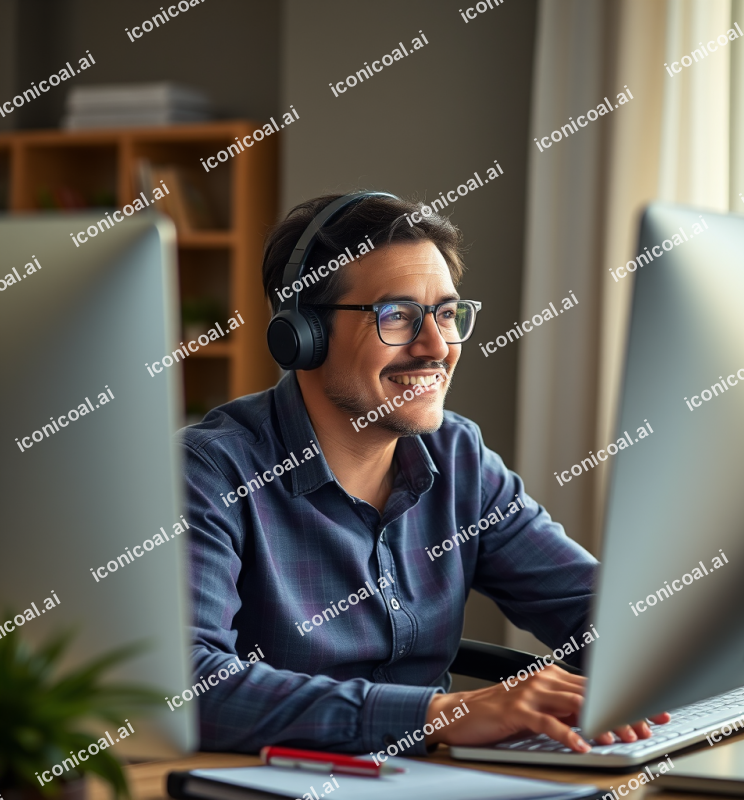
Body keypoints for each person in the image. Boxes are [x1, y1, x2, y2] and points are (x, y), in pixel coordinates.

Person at [179, 192, 668, 755]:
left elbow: (589, 609)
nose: (438, 346)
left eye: (447, 313)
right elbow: (189, 685)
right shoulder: (209, 473)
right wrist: (436, 714)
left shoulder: (457, 455)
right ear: (303, 335)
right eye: (398, 316)